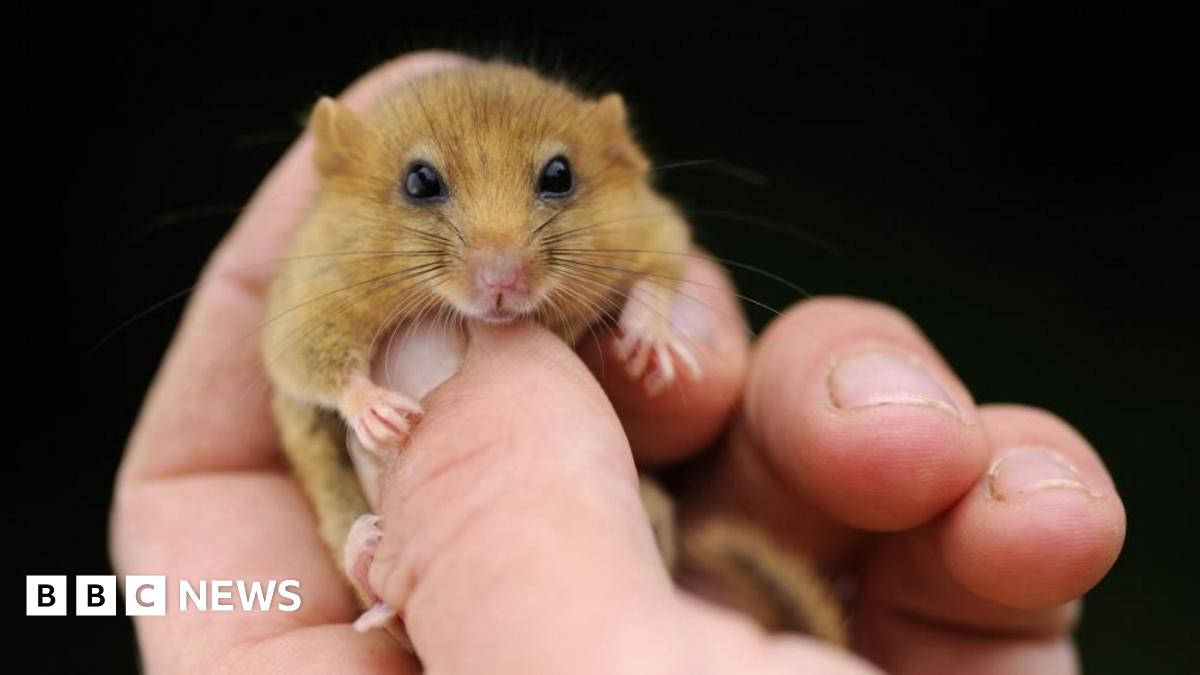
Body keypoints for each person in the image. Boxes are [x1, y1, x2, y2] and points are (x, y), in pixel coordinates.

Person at [110, 51, 1126, 674]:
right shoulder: (333, 261)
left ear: (605, 155)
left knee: (651, 485)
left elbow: (660, 235)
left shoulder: (610, 220)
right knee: (344, 492)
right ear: (347, 175)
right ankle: (374, 556)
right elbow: (293, 352)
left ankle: (667, 570)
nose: (502, 256)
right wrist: (356, 386)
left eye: (553, 182)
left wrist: (643, 299)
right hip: (350, 518)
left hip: (639, 539)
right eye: (428, 188)